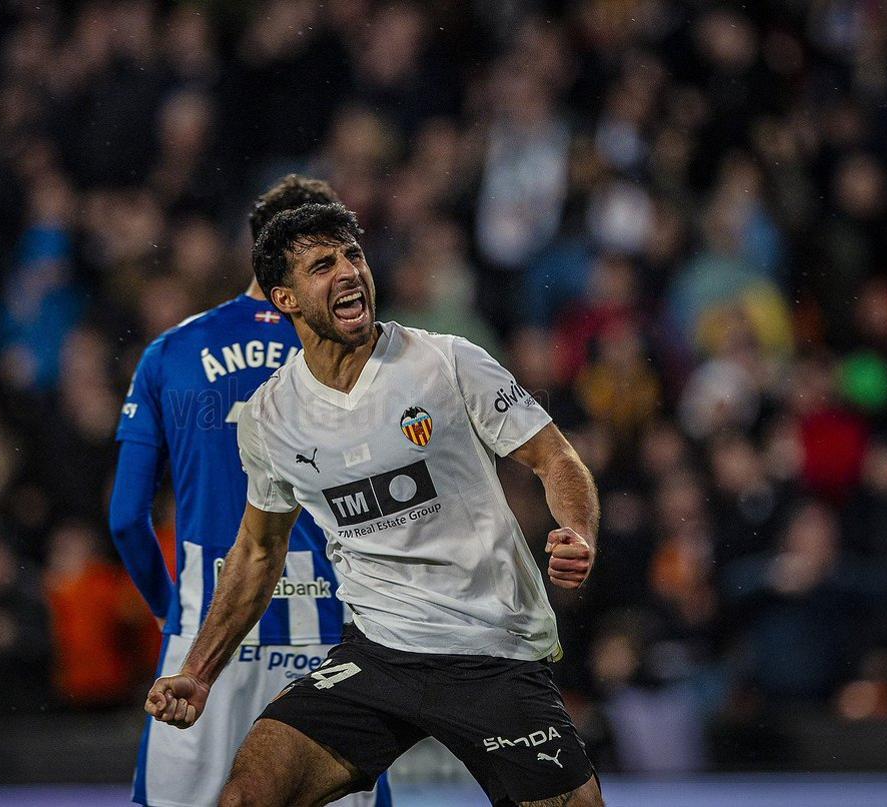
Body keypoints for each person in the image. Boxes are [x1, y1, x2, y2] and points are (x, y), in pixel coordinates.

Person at [147, 202, 605, 807]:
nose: (348, 272)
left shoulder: (446, 360)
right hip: (378, 656)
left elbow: (556, 458)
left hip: (490, 650)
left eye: (353, 256)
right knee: (249, 797)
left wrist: (577, 529)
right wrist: (198, 673)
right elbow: (259, 552)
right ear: (285, 298)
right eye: (322, 265)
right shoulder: (268, 417)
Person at [110, 181, 392, 807]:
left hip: (205, 636)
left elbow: (127, 518)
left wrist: (169, 612)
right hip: (329, 635)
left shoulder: (170, 352)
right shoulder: (356, 352)